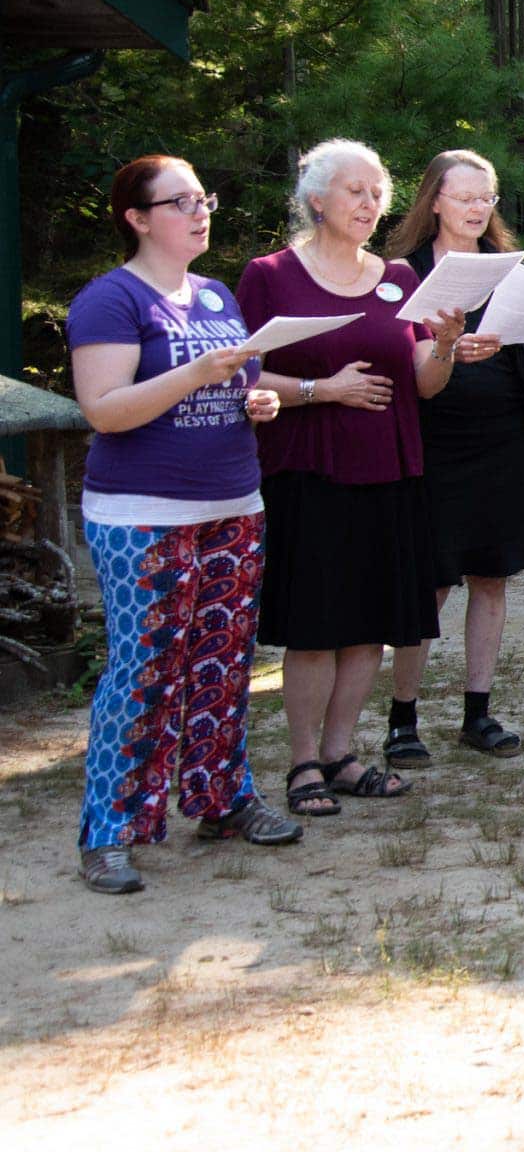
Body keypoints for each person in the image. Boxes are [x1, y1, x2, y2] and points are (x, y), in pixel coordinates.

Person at [66, 156, 297, 894]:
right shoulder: (110, 300)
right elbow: (105, 409)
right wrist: (197, 377)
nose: (201, 213)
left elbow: (239, 385)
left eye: (205, 199)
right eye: (180, 202)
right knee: (143, 671)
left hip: (233, 505)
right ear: (136, 217)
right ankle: (110, 831)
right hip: (143, 514)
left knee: (225, 664)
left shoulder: (216, 294)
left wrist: (256, 402)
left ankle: (222, 799)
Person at [239, 139, 465, 819]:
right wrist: (320, 388)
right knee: (313, 627)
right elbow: (238, 370)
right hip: (310, 470)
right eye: (354, 191)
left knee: (371, 624)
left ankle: (341, 753)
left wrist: (448, 341)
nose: (370, 204)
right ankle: (302, 760)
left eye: (377, 193)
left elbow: (425, 383)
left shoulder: (398, 277)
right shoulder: (270, 274)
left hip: (391, 470)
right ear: (317, 198)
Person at [382, 149, 524, 764]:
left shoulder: (510, 272)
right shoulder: (403, 274)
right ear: (435, 201)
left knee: (492, 576)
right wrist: (449, 346)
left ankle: (477, 712)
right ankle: (403, 718)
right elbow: (415, 376)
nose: (480, 208)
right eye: (467, 197)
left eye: (488, 198)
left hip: (502, 435)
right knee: (429, 582)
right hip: (435, 440)